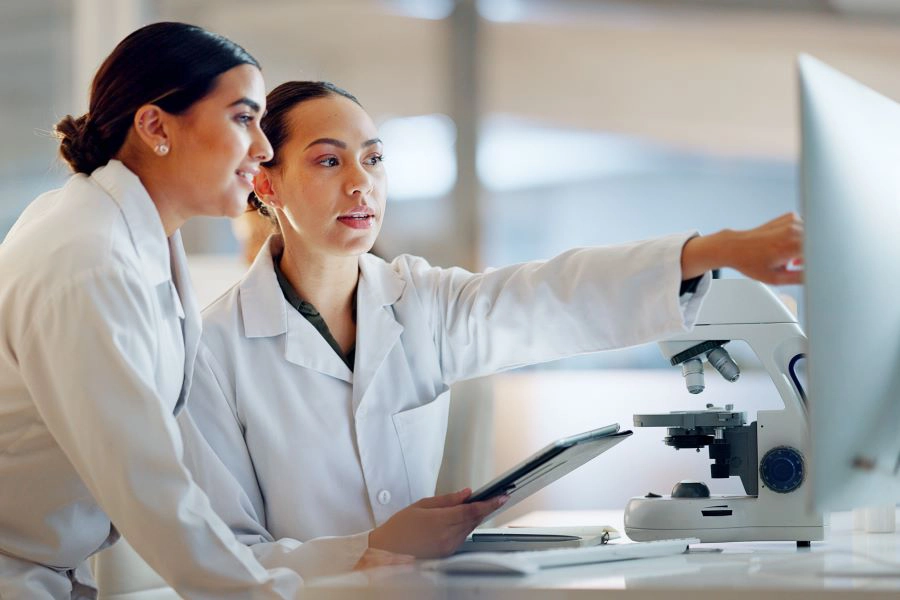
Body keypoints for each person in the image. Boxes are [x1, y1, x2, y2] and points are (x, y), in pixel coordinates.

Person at [179, 80, 804, 562]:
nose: (361, 184)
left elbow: (553, 297)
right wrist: (368, 550)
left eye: (373, 159)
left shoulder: (421, 301)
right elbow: (224, 561)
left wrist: (715, 250)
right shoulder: (212, 350)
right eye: (327, 161)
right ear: (267, 184)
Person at [0, 23, 349, 599]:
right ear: (155, 125)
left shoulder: (136, 236)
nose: (263, 147)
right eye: (243, 118)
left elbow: (170, 472)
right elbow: (148, 487)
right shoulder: (89, 259)